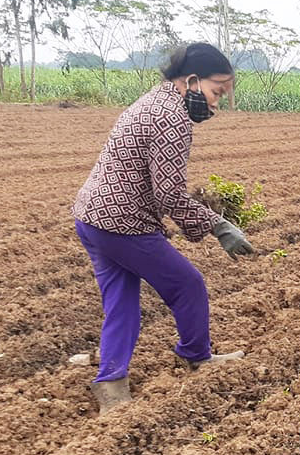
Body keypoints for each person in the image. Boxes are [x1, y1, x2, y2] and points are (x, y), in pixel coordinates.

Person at [71, 43, 254, 414]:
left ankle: (111, 384)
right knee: (187, 284)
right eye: (216, 92)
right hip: (123, 222)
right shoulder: (172, 119)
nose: (216, 104)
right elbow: (169, 195)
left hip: (90, 216)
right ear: (190, 80)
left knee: (121, 303)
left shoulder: (153, 100)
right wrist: (218, 225)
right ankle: (196, 355)